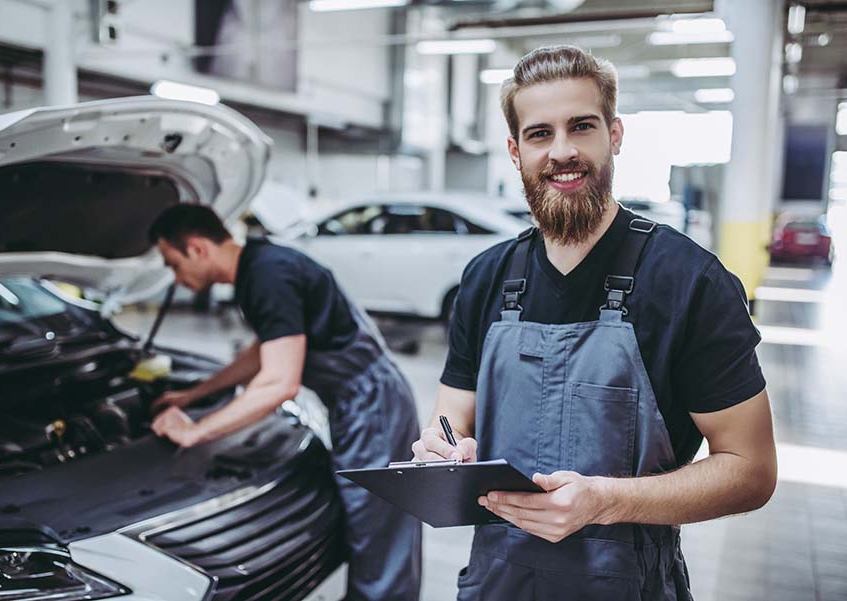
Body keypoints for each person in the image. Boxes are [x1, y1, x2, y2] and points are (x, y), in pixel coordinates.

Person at [411, 45, 776, 600]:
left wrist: (605, 499)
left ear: (615, 135)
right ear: (515, 151)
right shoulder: (486, 278)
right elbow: (450, 418)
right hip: (496, 580)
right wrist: (443, 451)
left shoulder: (687, 282)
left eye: (581, 126)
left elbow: (751, 470)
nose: (562, 151)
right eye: (539, 134)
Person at [147, 205, 421, 601]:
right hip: (359, 401)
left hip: (372, 404)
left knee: (378, 533)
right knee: (370, 527)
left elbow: (279, 384)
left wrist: (195, 432)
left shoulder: (266, 275)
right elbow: (267, 351)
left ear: (197, 248)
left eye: (173, 264)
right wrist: (194, 394)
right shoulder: (259, 265)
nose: (176, 278)